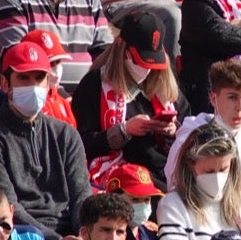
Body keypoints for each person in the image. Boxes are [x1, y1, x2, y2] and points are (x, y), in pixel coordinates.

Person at [0, 40, 92, 240]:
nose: (33, 86)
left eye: (39, 78)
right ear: (5, 84)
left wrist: (86, 234)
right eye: (23, 78)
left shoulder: (66, 134)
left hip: (74, 236)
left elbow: (81, 195)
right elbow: (7, 208)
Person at [72, 12, 184, 195]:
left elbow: (187, 123)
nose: (146, 69)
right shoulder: (94, 84)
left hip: (164, 167)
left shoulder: (163, 84)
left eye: (152, 63)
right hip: (123, 171)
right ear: (121, 48)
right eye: (140, 60)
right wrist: (124, 130)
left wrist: (173, 130)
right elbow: (80, 143)